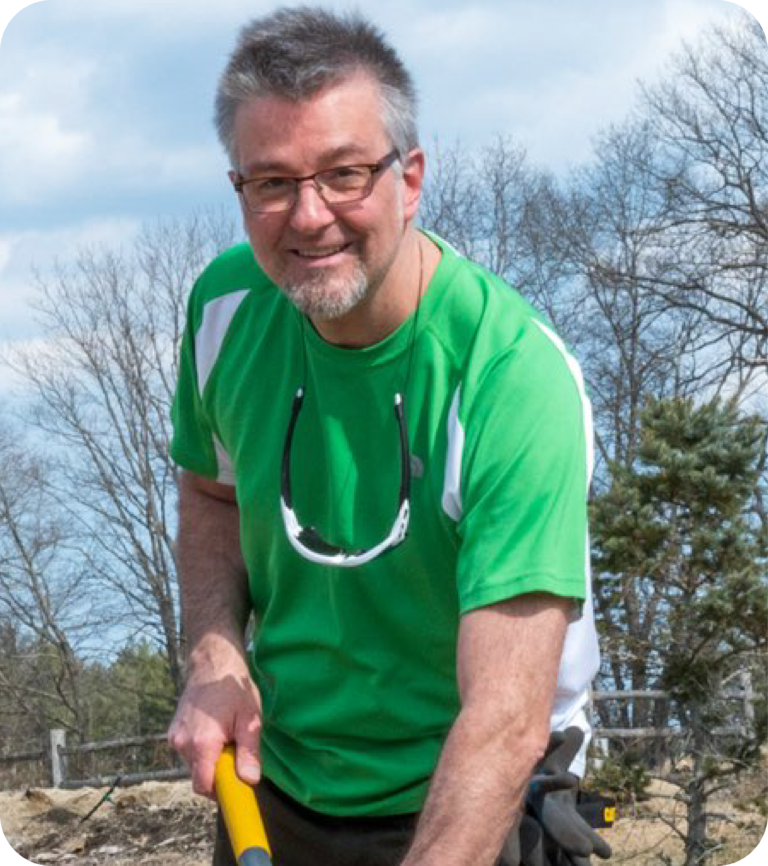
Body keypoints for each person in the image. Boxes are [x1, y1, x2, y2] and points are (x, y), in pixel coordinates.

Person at [168, 7, 602, 865]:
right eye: (272, 182)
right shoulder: (223, 310)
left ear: (409, 180)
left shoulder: (510, 376)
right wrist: (216, 652)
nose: (307, 216)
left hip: (478, 794)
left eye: (344, 174)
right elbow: (210, 493)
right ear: (240, 190)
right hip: (280, 786)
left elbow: (505, 721)